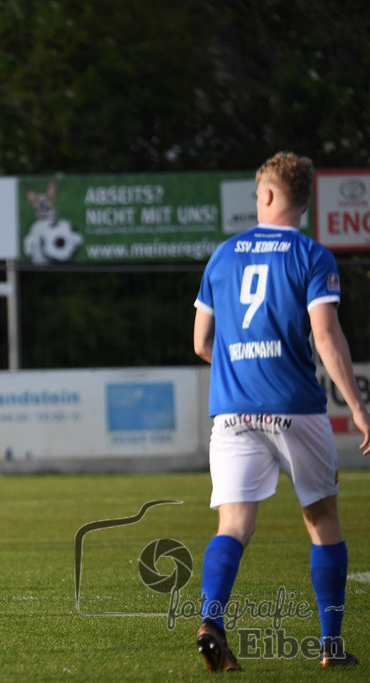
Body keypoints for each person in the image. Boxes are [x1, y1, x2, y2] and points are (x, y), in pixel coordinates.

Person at [192, 151, 370, 671]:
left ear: (267, 196)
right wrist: (358, 407)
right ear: (303, 200)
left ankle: (211, 621)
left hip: (232, 410)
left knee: (233, 525)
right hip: (294, 405)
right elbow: (325, 334)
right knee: (322, 518)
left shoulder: (223, 255)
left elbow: (202, 341)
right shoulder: (314, 257)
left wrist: (239, 358)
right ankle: (330, 646)